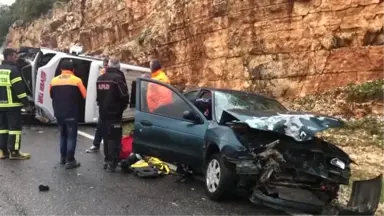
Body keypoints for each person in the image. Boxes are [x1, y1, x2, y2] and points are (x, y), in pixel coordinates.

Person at [49, 59, 87, 169]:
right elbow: (84, 95)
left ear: (61, 69)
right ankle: (70, 160)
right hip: (72, 113)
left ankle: (63, 158)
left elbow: (51, 95)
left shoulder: (53, 81)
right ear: (73, 70)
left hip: (59, 113)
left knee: (63, 135)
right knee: (71, 136)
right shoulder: (77, 80)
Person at [96, 57, 129, 172]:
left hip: (103, 113)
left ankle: (106, 159)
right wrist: (122, 107)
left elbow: (98, 98)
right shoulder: (118, 79)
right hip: (115, 114)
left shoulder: (100, 79)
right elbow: (124, 96)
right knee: (115, 138)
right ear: (118, 66)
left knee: (106, 137)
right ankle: (113, 162)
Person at [0, 48, 31, 160]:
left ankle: (3, 152)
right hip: (12, 105)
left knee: (2, 128)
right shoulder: (13, 70)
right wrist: (27, 104)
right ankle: (14, 152)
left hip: (0, 106)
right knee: (15, 129)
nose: (16, 58)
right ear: (9, 57)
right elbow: (20, 90)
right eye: (14, 56)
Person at [86, 58, 109, 153]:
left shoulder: (113, 75)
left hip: (110, 105)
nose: (105, 66)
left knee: (107, 127)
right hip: (104, 104)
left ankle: (108, 150)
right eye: (104, 65)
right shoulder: (102, 74)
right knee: (100, 125)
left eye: (106, 65)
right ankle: (96, 145)